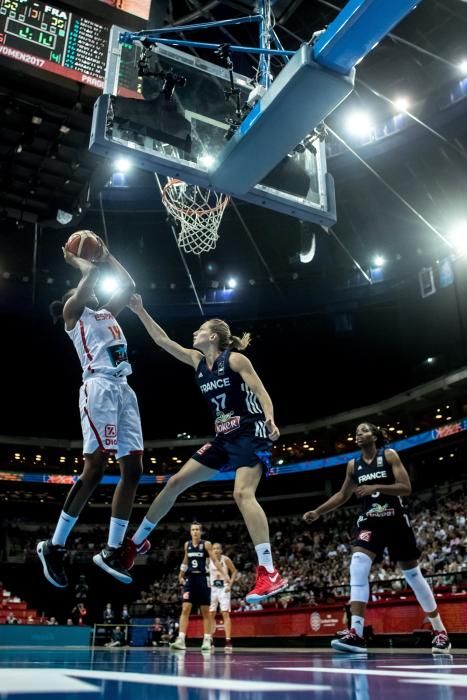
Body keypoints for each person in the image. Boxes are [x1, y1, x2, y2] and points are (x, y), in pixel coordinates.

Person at [121, 295, 287, 603]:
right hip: (224, 438)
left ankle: (269, 571)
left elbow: (261, 392)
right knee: (174, 483)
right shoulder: (198, 362)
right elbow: (161, 340)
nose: (194, 333)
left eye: (200, 329)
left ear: (213, 337)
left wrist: (271, 419)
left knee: (242, 493)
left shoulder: (235, 360)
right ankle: (137, 542)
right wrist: (140, 309)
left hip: (251, 432)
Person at [37, 234, 144, 588]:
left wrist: (108, 254)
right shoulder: (73, 314)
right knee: (95, 468)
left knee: (133, 469)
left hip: (124, 391)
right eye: (83, 290)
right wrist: (79, 262)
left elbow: (128, 284)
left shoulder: (105, 313)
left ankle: (113, 550)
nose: (92, 292)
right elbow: (90, 281)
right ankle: (53, 546)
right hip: (97, 388)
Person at [303, 422, 451, 655]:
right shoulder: (353, 465)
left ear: (375, 435)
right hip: (369, 522)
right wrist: (318, 511)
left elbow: (406, 487)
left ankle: (440, 630)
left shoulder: (388, 456)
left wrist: (376, 487)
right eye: (356, 432)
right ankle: (357, 633)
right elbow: (343, 495)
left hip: (395, 521)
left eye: (363, 430)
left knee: (413, 575)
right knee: (358, 565)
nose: (358, 434)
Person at [170, 523, 227, 651]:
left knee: (205, 611)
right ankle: (181, 639)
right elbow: (185, 560)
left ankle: (207, 639)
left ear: (201, 532)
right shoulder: (187, 545)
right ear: (190, 532)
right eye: (193, 530)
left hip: (202, 578)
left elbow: (215, 561)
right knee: (185, 608)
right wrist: (181, 575)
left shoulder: (206, 544)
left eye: (197, 530)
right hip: (190, 580)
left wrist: (224, 574)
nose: (195, 532)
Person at [209, 543, 237, 653]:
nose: (216, 550)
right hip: (212, 588)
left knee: (225, 613)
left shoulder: (226, 560)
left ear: (221, 550)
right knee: (211, 614)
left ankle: (228, 640)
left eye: (218, 548)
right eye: (214, 548)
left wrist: (230, 585)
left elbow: (234, 571)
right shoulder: (208, 560)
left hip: (224, 588)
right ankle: (210, 640)